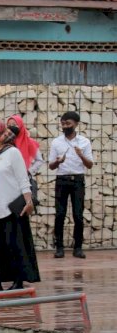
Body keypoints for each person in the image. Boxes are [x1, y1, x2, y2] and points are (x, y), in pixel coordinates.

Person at [0, 120, 39, 293]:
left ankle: (18, 280)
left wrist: (29, 202)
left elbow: (22, 180)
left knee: (14, 245)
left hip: (11, 207)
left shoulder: (12, 153)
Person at [48, 111, 94, 259]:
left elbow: (90, 165)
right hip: (62, 179)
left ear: (76, 124)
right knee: (60, 214)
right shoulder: (56, 142)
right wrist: (58, 162)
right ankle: (59, 247)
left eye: (68, 124)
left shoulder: (84, 142)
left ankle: (78, 247)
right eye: (63, 124)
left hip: (78, 180)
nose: (65, 126)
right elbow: (51, 166)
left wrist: (81, 155)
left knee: (78, 215)